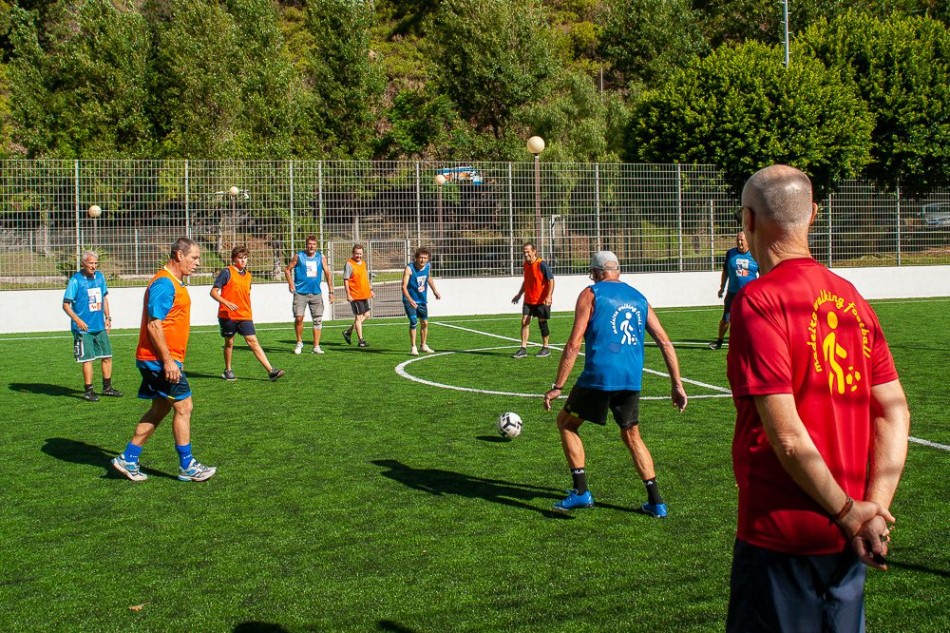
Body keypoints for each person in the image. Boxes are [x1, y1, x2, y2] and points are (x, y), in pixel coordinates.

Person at [726, 165, 910, 632]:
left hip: (781, 540)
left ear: (747, 220)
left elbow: (787, 437)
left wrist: (851, 514)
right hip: (849, 538)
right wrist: (873, 509)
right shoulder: (853, 299)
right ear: (814, 216)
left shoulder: (759, 301)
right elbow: (894, 409)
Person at [542, 251, 688, 516]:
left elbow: (575, 343)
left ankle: (581, 492)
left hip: (599, 376)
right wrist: (676, 383)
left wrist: (558, 386)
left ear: (597, 272)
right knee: (632, 435)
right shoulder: (639, 298)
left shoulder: (591, 293)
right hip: (631, 379)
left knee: (566, 423)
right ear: (617, 271)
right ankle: (657, 502)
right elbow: (665, 341)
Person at [111, 237, 217, 483]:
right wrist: (169, 362)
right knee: (184, 406)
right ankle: (187, 465)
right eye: (194, 258)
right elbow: (154, 324)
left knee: (160, 408)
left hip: (160, 359)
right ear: (179, 255)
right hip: (158, 361)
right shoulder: (164, 284)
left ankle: (128, 458)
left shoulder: (174, 283)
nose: (197, 263)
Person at [210, 246, 285, 382]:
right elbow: (213, 292)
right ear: (234, 259)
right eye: (240, 258)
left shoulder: (248, 275)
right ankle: (228, 370)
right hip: (228, 315)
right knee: (229, 343)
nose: (243, 260)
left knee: (253, 342)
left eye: (245, 258)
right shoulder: (226, 272)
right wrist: (226, 302)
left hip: (245, 315)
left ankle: (271, 371)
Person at [62, 250, 123, 402]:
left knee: (107, 356)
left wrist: (108, 318)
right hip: (83, 329)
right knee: (88, 359)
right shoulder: (75, 281)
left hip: (99, 326)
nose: (94, 266)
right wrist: (77, 320)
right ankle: (88, 390)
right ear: (83, 263)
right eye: (90, 263)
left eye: (96, 263)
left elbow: (104, 298)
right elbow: (66, 304)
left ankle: (107, 388)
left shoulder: (100, 277)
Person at [284, 235, 334, 354]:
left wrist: (331, 291)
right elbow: (287, 269)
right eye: (309, 244)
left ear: (316, 246)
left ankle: (316, 346)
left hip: (316, 293)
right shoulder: (299, 256)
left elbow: (327, 272)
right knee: (299, 317)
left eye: (313, 244)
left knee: (317, 319)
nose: (311, 246)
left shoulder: (320, 257)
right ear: (306, 245)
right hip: (300, 293)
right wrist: (291, 284)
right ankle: (299, 342)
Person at [709, 230, 758, 349]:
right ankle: (719, 342)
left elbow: (763, 274)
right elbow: (725, 271)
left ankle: (751, 344)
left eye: (742, 240)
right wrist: (722, 287)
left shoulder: (755, 255)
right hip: (732, 293)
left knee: (750, 320)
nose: (739, 242)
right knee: (726, 318)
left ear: (748, 241)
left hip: (749, 294)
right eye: (738, 240)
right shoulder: (730, 253)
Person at [511, 242, 555, 359]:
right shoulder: (525, 265)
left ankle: (546, 347)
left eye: (528, 251)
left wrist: (549, 296)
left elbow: (551, 280)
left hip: (541, 300)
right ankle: (523, 348)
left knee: (542, 322)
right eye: (524, 252)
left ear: (534, 251)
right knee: (524, 321)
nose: (526, 254)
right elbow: (526, 281)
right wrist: (519, 295)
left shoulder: (542, 264)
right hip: (528, 299)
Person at [401, 247, 441, 356]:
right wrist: (410, 300)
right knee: (413, 322)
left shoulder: (427, 266)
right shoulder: (409, 269)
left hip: (422, 300)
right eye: (420, 258)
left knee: (425, 323)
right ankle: (413, 347)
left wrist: (434, 291)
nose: (422, 260)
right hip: (410, 300)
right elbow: (403, 287)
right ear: (416, 258)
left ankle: (423, 345)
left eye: (425, 258)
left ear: (428, 259)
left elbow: (428, 277)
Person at [342, 243, 374, 348]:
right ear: (353, 253)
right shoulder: (349, 264)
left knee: (367, 315)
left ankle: (348, 332)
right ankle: (361, 340)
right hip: (355, 295)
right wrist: (348, 294)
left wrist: (370, 289)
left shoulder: (363, 263)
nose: (358, 256)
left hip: (364, 294)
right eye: (356, 254)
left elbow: (365, 278)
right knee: (358, 317)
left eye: (360, 254)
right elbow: (346, 280)